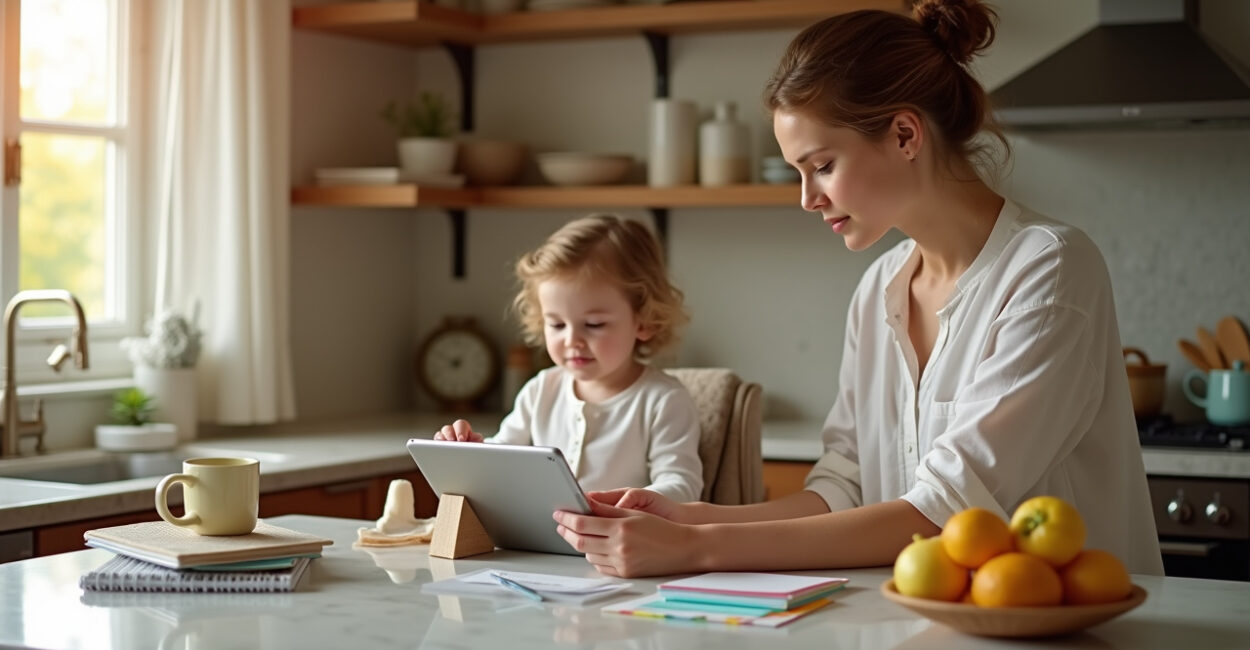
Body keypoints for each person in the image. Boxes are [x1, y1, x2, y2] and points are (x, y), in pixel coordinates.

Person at [553, 0, 1164, 578]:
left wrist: (696, 547)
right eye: (798, 172)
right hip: (929, 619)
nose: (807, 198)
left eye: (821, 166)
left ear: (904, 135)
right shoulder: (881, 287)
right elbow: (843, 487)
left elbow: (944, 509)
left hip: (1070, 625)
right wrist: (687, 516)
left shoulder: (1049, 269)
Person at [434, 214, 704, 502]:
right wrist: (471, 451)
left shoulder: (663, 401)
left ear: (644, 321)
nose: (572, 340)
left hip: (619, 545)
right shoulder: (540, 391)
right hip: (538, 545)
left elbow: (682, 484)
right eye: (557, 325)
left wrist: (636, 503)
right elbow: (501, 462)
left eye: (594, 325)